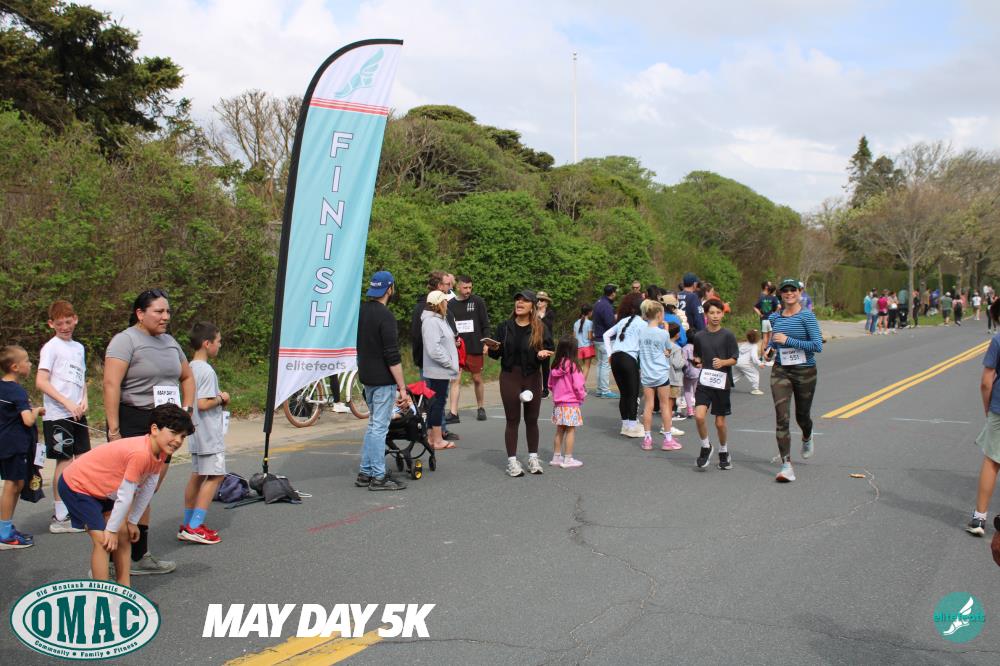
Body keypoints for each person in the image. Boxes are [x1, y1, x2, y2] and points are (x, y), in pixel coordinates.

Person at [104, 289, 194, 575]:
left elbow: (187, 376)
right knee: (127, 490)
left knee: (147, 489)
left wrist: (187, 410)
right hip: (134, 420)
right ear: (140, 313)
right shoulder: (125, 340)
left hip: (165, 423)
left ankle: (140, 555)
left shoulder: (170, 342)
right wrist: (114, 430)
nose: (165, 317)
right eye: (159, 311)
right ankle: (113, 558)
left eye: (168, 311)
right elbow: (110, 384)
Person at [60, 404, 192, 585]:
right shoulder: (140, 453)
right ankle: (102, 594)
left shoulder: (160, 452)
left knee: (123, 535)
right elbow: (126, 494)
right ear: (155, 429)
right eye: (174, 433)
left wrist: (132, 521)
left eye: (182, 436)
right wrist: (111, 530)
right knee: (104, 540)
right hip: (78, 486)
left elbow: (148, 488)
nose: (178, 440)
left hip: (102, 490)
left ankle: (124, 589)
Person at [484, 290, 554, 477]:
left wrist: (542, 354)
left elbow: (549, 349)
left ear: (532, 306)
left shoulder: (540, 327)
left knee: (532, 419)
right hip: (510, 375)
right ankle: (512, 462)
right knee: (512, 419)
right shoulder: (505, 327)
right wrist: (492, 348)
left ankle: (533, 458)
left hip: (532, 376)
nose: (519, 303)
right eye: (517, 300)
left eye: (524, 301)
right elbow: (496, 354)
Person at [35, 300, 89, 534]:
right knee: (64, 462)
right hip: (58, 415)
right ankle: (60, 515)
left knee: (84, 460)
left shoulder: (78, 347)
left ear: (75, 319)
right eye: (59, 324)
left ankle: (79, 506)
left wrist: (84, 399)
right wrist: (66, 402)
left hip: (78, 414)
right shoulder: (51, 347)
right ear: (51, 324)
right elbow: (41, 381)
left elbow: (81, 377)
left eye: (68, 322)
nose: (65, 327)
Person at [356, 271, 411, 490]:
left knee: (373, 425)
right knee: (380, 427)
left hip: (366, 376)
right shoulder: (386, 316)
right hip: (383, 379)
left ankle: (365, 471)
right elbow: (392, 354)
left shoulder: (361, 311)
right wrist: (402, 387)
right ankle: (378, 476)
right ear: (389, 289)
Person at [767, 279, 823, 483]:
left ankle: (807, 435)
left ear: (800, 292)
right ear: (781, 294)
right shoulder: (775, 317)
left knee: (802, 416)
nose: (789, 293)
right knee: (782, 417)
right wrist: (769, 349)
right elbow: (775, 341)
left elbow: (817, 345)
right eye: (785, 290)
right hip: (781, 370)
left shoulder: (807, 316)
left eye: (793, 290)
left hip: (805, 371)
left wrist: (788, 341)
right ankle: (786, 466)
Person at [179, 322, 229, 545]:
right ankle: (195, 525)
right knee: (216, 475)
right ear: (207, 344)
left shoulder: (190, 367)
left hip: (196, 431)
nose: (220, 345)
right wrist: (222, 398)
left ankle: (187, 523)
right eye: (218, 341)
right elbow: (203, 403)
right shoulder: (207, 370)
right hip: (208, 433)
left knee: (198, 474)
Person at [0, 346, 44, 549]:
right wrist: (36, 410)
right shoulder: (17, 391)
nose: (30, 364)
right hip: (15, 445)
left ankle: (6, 526)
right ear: (15, 367)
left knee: (16, 484)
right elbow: (27, 420)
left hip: (8, 444)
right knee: (12, 485)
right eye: (26, 360)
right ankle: (4, 533)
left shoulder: (3, 387)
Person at [691, 300, 739, 471]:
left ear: (723, 314)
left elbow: (734, 358)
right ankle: (706, 446)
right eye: (712, 313)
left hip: (721, 382)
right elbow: (697, 355)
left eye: (718, 312)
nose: (715, 316)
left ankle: (724, 451)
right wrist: (697, 361)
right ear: (706, 315)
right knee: (699, 416)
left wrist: (723, 362)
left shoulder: (728, 335)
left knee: (719, 423)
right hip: (705, 382)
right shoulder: (699, 336)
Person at [966, 320, 1000, 537]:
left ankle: (979, 518)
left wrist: (988, 408)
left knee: (992, 460)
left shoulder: (998, 340)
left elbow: (986, 382)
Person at [446, 275, 490, 422]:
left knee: (477, 378)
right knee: (455, 380)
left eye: (470, 287)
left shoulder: (478, 301)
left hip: (475, 346)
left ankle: (481, 407)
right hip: (458, 348)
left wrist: (486, 343)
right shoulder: (451, 304)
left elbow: (485, 324)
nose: (468, 290)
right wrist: (452, 341)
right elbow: (448, 326)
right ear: (458, 287)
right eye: (465, 287)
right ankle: (453, 412)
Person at [603, 292, 646, 439]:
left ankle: (625, 425)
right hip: (629, 358)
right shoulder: (643, 324)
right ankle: (632, 427)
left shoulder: (623, 321)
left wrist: (609, 354)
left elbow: (606, 335)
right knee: (633, 394)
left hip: (615, 357)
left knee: (624, 394)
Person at [422, 290, 459, 451]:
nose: (447, 303)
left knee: (436, 403)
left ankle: (431, 436)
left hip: (440, 370)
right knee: (437, 403)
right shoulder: (431, 321)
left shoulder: (439, 319)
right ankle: (437, 440)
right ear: (438, 304)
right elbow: (433, 349)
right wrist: (449, 362)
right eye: (445, 300)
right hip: (438, 370)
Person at [638, 300, 678, 451]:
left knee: (648, 405)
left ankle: (647, 439)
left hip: (646, 373)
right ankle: (668, 439)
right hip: (661, 374)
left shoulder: (641, 331)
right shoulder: (663, 333)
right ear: (659, 314)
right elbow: (668, 350)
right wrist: (666, 329)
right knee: (664, 405)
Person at [548, 335, 587, 468]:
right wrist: (581, 396)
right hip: (571, 404)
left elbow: (550, 385)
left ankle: (556, 457)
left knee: (559, 430)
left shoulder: (554, 366)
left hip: (558, 404)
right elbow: (578, 386)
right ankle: (568, 459)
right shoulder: (573, 366)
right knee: (571, 430)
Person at [591, 284, 619, 399]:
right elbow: (610, 323)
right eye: (615, 292)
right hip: (605, 339)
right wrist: (616, 319)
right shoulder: (606, 306)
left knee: (600, 364)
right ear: (612, 293)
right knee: (606, 365)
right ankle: (605, 391)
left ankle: (599, 389)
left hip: (598, 337)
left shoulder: (598, 302)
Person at [665, 322, 686, 446]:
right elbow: (678, 364)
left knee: (664, 403)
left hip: (663, 378)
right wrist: (684, 360)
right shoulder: (677, 348)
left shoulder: (663, 345)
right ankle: (667, 426)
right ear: (677, 334)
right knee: (670, 404)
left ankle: (666, 425)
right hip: (674, 378)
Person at [536, 291, 556, 398]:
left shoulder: (550, 313)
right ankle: (535, 387)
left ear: (546, 303)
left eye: (542, 300)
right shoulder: (532, 312)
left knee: (545, 368)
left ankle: (545, 389)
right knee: (534, 367)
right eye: (538, 300)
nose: (539, 302)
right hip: (535, 344)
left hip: (546, 344)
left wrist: (540, 317)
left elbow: (548, 326)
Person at [734, 330, 764, 395]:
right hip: (745, 364)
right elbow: (754, 357)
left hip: (737, 362)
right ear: (757, 338)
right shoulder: (754, 346)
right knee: (755, 374)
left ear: (747, 337)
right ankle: (756, 389)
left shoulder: (744, 344)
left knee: (736, 375)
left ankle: (725, 385)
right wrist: (760, 363)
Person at [755, 282, 780, 356]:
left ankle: (763, 356)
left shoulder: (763, 297)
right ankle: (768, 355)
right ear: (773, 291)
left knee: (764, 338)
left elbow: (755, 307)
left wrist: (760, 314)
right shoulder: (774, 298)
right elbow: (779, 306)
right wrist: (775, 313)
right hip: (771, 319)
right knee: (771, 338)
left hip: (764, 319)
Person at [575, 305, 595, 382]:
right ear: (589, 312)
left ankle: (578, 383)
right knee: (586, 367)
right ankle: (581, 385)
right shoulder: (590, 323)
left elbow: (574, 337)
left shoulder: (576, 323)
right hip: (587, 347)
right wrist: (595, 337)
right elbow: (590, 337)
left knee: (579, 367)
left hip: (578, 347)